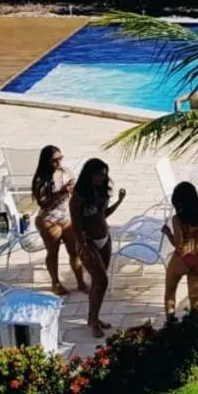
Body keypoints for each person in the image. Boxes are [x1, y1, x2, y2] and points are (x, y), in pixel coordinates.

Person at [69, 158, 126, 338]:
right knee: (102, 281)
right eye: (99, 175)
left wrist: (119, 202)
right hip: (88, 241)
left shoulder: (101, 191)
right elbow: (76, 224)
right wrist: (83, 246)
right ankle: (93, 321)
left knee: (98, 283)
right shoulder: (78, 197)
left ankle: (93, 317)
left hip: (104, 238)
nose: (102, 178)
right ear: (89, 174)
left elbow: (103, 214)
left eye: (105, 175)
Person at [30, 145, 86, 297]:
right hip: (50, 219)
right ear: (47, 161)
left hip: (66, 216)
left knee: (74, 251)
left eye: (61, 158)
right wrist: (61, 192)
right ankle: (55, 283)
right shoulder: (41, 180)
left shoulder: (66, 172)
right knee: (53, 253)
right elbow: (43, 203)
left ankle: (80, 282)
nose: (59, 162)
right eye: (55, 160)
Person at [162, 182, 198, 317]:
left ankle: (171, 324)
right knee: (195, 295)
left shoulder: (178, 219)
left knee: (170, 292)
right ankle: (196, 323)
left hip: (181, 257)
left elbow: (178, 244)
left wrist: (168, 233)